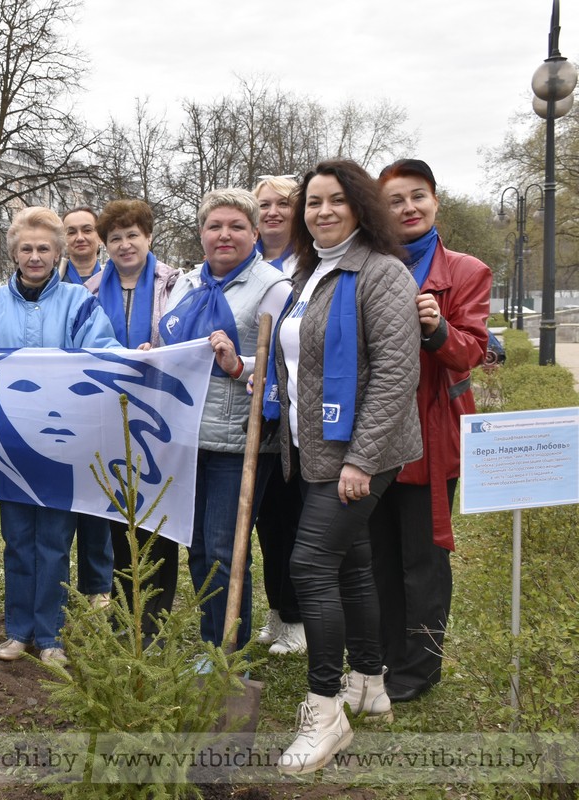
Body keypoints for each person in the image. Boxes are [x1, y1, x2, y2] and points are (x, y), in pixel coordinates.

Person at [267, 160, 422, 774]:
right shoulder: (311, 274)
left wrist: (360, 458)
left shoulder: (382, 274)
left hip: (359, 452)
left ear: (360, 207)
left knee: (309, 564)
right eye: (313, 202)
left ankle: (325, 709)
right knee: (352, 564)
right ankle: (370, 681)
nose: (322, 211)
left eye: (335, 201)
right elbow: (299, 360)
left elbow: (394, 374)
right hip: (313, 447)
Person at [0, 207, 120, 665]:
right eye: (27, 248)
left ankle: (51, 635)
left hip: (64, 443)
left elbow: (105, 356)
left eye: (45, 248)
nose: (36, 256)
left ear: (59, 252)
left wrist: (135, 358)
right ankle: (18, 631)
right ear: (14, 253)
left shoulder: (80, 303)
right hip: (10, 446)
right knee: (18, 539)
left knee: (56, 540)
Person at [372, 159, 491, 702]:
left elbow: (471, 352)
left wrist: (437, 327)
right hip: (374, 437)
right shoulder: (367, 266)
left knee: (422, 559)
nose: (408, 208)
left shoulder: (466, 272)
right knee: (378, 554)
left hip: (431, 434)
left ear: (435, 202)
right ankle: (385, 657)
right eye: (395, 200)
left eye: (417, 197)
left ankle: (418, 671)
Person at [158, 188, 290, 651]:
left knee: (224, 553)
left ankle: (230, 659)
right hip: (187, 439)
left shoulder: (274, 288)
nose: (224, 235)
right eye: (215, 226)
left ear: (255, 233)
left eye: (236, 226)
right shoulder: (186, 284)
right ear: (201, 235)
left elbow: (288, 361)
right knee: (198, 550)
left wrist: (240, 365)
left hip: (240, 441)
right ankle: (214, 646)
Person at [86, 198, 181, 641]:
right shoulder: (89, 291)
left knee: (158, 517)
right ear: (106, 245)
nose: (125, 245)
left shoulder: (176, 284)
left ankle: (155, 616)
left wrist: (155, 351)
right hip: (107, 416)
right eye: (115, 238)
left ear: (149, 237)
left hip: (161, 417)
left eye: (132, 235)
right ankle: (125, 612)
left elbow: (187, 339)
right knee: (117, 518)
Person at [251, 175, 307, 656]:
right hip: (256, 417)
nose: (271, 212)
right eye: (263, 204)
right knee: (268, 523)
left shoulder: (306, 267)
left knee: (290, 521)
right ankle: (275, 613)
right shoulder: (252, 265)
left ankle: (297, 618)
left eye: (282, 204)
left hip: (291, 415)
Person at [60, 207, 114, 610]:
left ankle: (98, 587)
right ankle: (57, 587)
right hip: (57, 410)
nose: (79, 237)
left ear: (99, 238)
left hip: (100, 406)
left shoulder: (116, 279)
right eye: (71, 231)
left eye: (87, 230)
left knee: (98, 500)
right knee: (61, 502)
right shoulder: (53, 282)